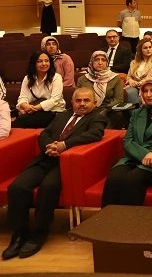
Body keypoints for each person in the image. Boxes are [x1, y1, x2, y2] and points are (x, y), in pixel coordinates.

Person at [2, 87, 107, 260]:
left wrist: (64, 146)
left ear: (94, 103)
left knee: (48, 188)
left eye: (86, 100)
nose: (82, 104)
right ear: (72, 102)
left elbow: (94, 134)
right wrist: (49, 146)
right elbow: (45, 133)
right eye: (78, 100)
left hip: (66, 163)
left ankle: (38, 234)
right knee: (17, 187)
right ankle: (19, 235)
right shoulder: (63, 115)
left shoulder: (97, 117)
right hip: (45, 158)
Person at [101, 78, 152, 206]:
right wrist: (143, 154)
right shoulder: (137, 113)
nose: (148, 95)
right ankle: (107, 217)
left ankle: (130, 218)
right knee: (113, 178)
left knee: (132, 180)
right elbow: (128, 140)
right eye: (145, 91)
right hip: (132, 157)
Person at [13, 51, 65, 129]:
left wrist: (34, 108)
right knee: (20, 117)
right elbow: (22, 97)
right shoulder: (27, 78)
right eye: (39, 61)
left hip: (53, 111)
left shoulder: (56, 77)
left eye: (46, 61)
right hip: (33, 110)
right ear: (33, 64)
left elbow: (54, 100)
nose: (44, 64)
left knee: (23, 120)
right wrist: (25, 106)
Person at [76, 51, 124, 124]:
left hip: (107, 110)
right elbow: (78, 98)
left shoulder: (114, 78)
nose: (100, 63)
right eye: (97, 60)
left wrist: (105, 109)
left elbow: (119, 99)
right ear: (92, 62)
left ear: (107, 63)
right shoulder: (82, 79)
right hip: (87, 109)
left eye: (103, 60)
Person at [124, 38, 152, 104]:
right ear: (140, 50)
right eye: (145, 48)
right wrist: (131, 81)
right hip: (134, 86)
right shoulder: (133, 62)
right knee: (127, 92)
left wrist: (141, 82)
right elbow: (129, 76)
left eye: (150, 47)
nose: (148, 49)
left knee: (130, 92)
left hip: (148, 86)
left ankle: (138, 109)